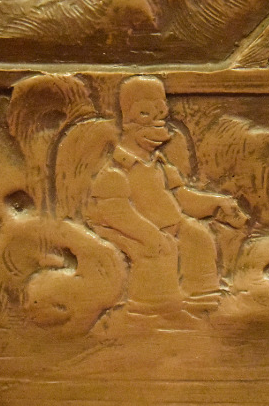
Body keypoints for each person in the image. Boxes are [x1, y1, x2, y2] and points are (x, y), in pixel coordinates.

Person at [84, 76, 247, 316]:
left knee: (198, 235)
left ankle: (202, 300)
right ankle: (154, 308)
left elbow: (181, 197)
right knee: (159, 250)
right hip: (129, 230)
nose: (158, 127)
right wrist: (151, 235)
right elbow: (116, 213)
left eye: (161, 115)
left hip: (168, 225)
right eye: (145, 115)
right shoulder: (116, 172)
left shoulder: (160, 165)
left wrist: (216, 204)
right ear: (127, 121)